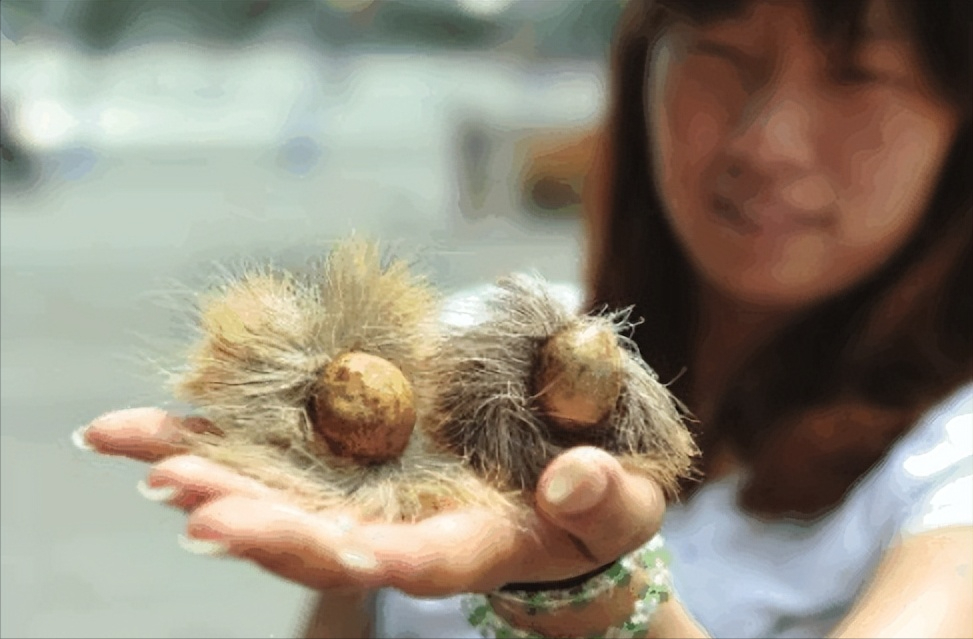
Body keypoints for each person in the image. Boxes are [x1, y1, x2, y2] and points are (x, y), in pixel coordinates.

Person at [74, 0, 972, 637]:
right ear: (642, 60)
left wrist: (601, 603)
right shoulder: (460, 351)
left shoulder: (952, 462)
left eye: (859, 74)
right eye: (721, 51)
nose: (763, 139)